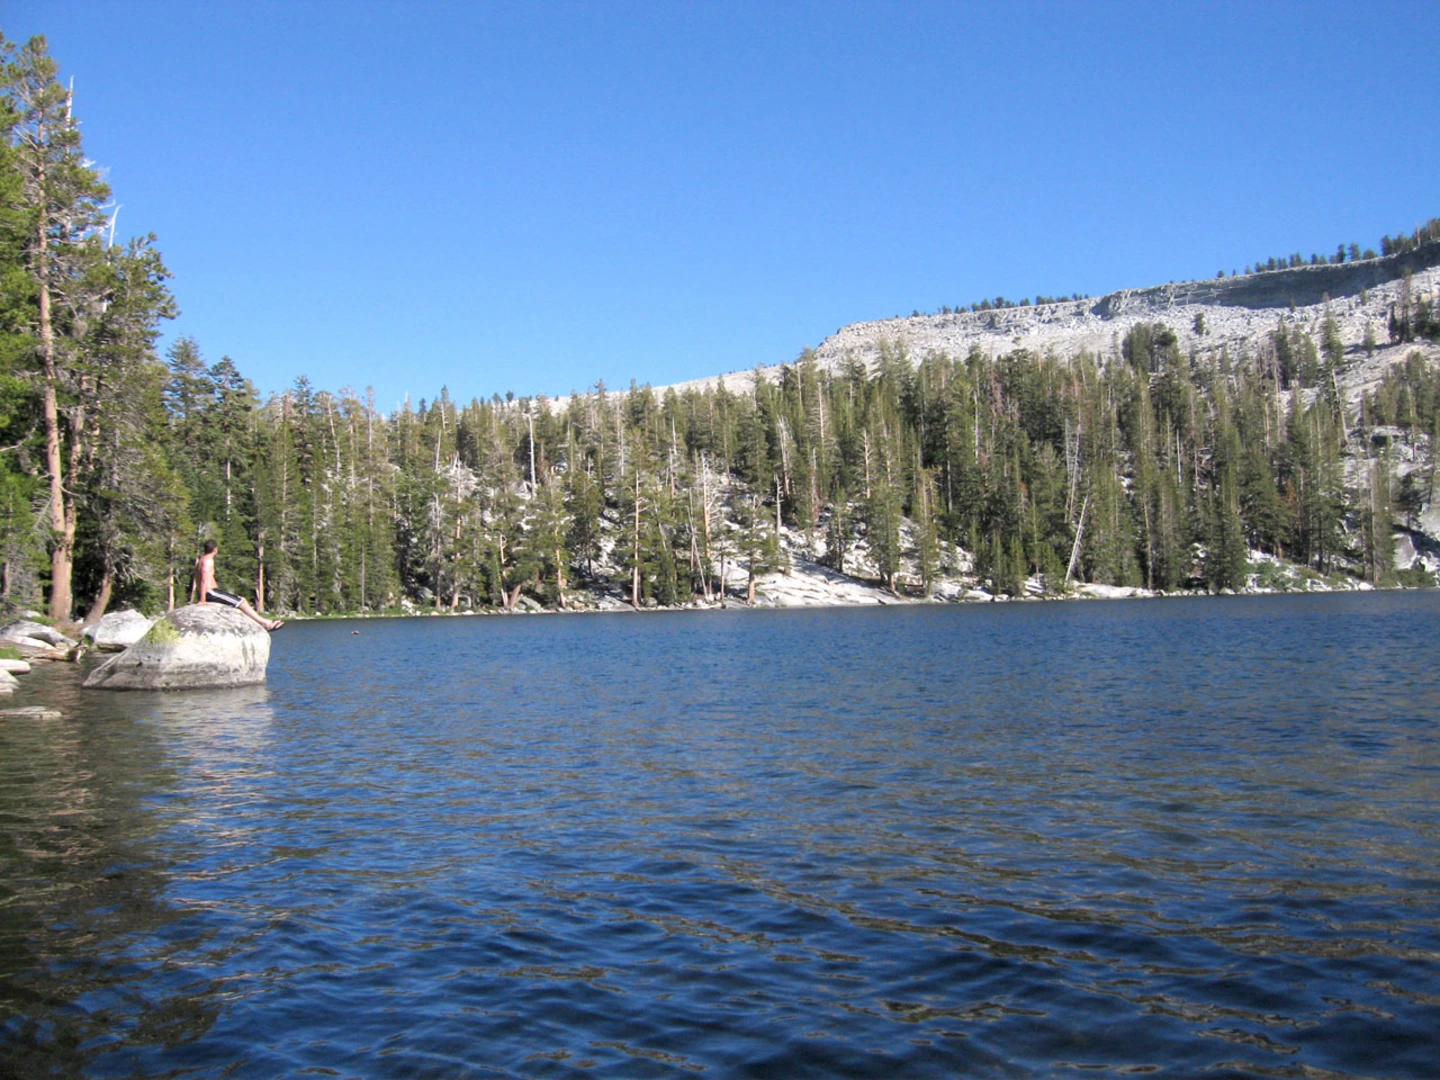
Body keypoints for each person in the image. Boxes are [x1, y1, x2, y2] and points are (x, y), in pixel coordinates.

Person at [192, 540, 283, 631]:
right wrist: (202, 600)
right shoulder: (207, 561)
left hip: (212, 592)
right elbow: (204, 580)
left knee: (239, 600)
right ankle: (266, 623)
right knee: (241, 601)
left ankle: (262, 623)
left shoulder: (201, 560)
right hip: (211, 593)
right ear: (215, 550)